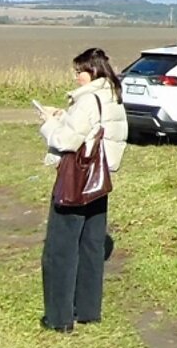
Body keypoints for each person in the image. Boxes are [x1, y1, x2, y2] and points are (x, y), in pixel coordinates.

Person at [36, 47, 128, 331]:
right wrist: (66, 114)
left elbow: (66, 140)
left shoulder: (88, 101)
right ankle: (88, 310)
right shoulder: (113, 96)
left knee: (60, 249)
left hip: (76, 181)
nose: (76, 78)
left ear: (92, 72)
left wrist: (49, 122)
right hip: (100, 182)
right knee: (91, 246)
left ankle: (59, 318)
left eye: (79, 72)